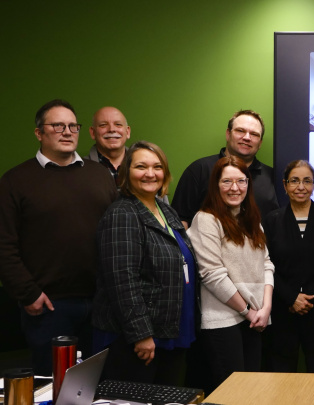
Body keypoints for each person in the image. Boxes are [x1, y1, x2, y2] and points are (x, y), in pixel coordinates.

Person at [0, 99, 117, 375]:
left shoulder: (100, 175)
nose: (67, 132)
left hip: (101, 302)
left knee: (98, 384)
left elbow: (116, 235)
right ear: (39, 133)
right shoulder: (15, 181)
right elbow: (3, 244)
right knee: (52, 385)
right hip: (49, 306)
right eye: (57, 126)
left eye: (72, 126)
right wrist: (28, 293)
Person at [92, 141, 197, 385]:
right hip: (137, 339)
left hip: (170, 332)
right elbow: (121, 280)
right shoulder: (122, 213)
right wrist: (141, 334)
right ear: (126, 173)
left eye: (157, 167)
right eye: (141, 166)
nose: (150, 174)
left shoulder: (164, 209)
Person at [187, 155, 274, 392]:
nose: (235, 188)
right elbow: (212, 275)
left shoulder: (253, 222)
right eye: (226, 182)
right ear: (216, 186)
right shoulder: (206, 219)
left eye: (241, 181)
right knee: (232, 394)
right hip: (224, 320)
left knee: (252, 392)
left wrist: (265, 309)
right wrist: (248, 311)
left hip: (255, 319)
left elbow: (267, 264)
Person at [264, 160, 314, 373]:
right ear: (284, 185)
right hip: (283, 307)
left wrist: (307, 297)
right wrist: (291, 298)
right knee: (281, 369)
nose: (301, 187)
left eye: (307, 181)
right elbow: (267, 264)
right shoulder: (272, 221)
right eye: (295, 181)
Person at [172, 110, 279, 229]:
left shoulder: (273, 176)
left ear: (260, 143)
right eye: (240, 131)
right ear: (228, 134)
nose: (247, 138)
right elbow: (179, 220)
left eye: (254, 134)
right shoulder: (199, 170)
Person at [86, 106, 168, 202]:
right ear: (93, 132)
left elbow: (162, 206)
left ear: (127, 131)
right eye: (103, 125)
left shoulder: (151, 168)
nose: (112, 129)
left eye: (118, 124)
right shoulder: (82, 170)